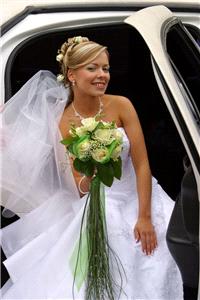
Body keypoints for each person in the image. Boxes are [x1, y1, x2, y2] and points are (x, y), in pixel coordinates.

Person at [0, 36, 183, 299]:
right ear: (72, 75)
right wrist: (91, 173)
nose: (102, 75)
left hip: (140, 197)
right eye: (92, 68)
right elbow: (78, 186)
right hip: (99, 203)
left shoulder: (122, 105)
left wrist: (144, 217)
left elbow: (143, 165)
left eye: (105, 68)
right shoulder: (62, 120)